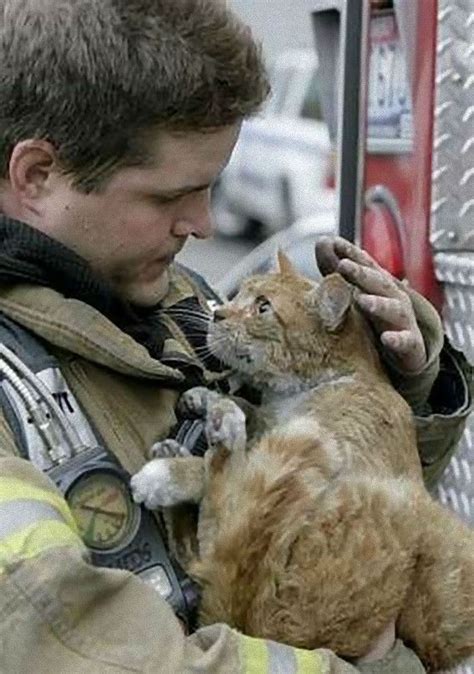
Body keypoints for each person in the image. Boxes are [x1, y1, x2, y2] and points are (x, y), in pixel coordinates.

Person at [0, 1, 471, 672]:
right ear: (37, 175)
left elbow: (307, 512)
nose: (205, 225)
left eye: (212, 188)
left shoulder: (173, 302)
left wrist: (385, 387)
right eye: (171, 197)